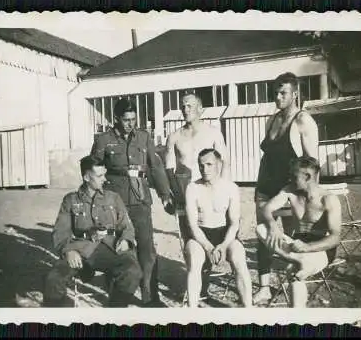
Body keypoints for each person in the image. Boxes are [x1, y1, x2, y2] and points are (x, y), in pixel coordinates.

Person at [90, 98, 172, 308]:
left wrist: (164, 193)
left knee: (146, 249)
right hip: (113, 203)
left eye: (134, 119)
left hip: (140, 200)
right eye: (126, 120)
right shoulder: (103, 140)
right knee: (116, 248)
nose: (130, 124)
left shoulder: (144, 138)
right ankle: (117, 295)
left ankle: (150, 297)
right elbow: (93, 170)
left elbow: (155, 167)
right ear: (116, 119)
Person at [254, 72, 320, 304]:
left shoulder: (303, 121)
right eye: (275, 93)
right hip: (264, 186)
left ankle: (294, 282)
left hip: (289, 191)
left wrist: (310, 199)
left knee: (292, 238)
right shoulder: (271, 120)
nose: (278, 97)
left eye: (283, 93)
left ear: (295, 94)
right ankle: (264, 287)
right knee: (263, 234)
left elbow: (312, 165)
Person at [43, 156, 142, 308]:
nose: (105, 179)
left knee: (133, 271)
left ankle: (115, 312)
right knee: (54, 278)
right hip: (80, 250)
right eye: (99, 175)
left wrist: (125, 240)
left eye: (105, 174)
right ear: (86, 177)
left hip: (110, 248)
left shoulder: (113, 198)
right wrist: (68, 251)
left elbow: (127, 226)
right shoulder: (70, 200)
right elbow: (60, 232)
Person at [256, 156, 342, 307]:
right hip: (296, 245)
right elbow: (266, 209)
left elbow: (335, 238)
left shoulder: (328, 199)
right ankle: (301, 261)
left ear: (307, 176)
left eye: (293, 175)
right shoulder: (289, 190)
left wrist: (307, 247)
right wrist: (273, 225)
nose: (289, 178)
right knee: (261, 228)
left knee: (293, 272)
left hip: (320, 248)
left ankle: (296, 315)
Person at [184, 148, 252, 308]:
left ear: (219, 165)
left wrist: (223, 245)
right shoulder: (192, 188)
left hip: (224, 234)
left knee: (239, 258)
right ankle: (191, 312)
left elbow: (234, 222)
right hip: (200, 235)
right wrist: (208, 247)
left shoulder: (231, 188)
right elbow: (192, 224)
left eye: (209, 164)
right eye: (201, 165)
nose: (205, 169)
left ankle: (249, 309)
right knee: (194, 262)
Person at [165, 92, 230, 243]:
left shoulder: (213, 133)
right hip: (185, 194)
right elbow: (169, 169)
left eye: (189, 106)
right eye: (183, 106)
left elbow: (225, 164)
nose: (185, 110)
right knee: (188, 240)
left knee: (212, 236)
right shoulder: (174, 137)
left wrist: (225, 191)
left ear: (200, 109)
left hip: (209, 193)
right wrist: (172, 194)